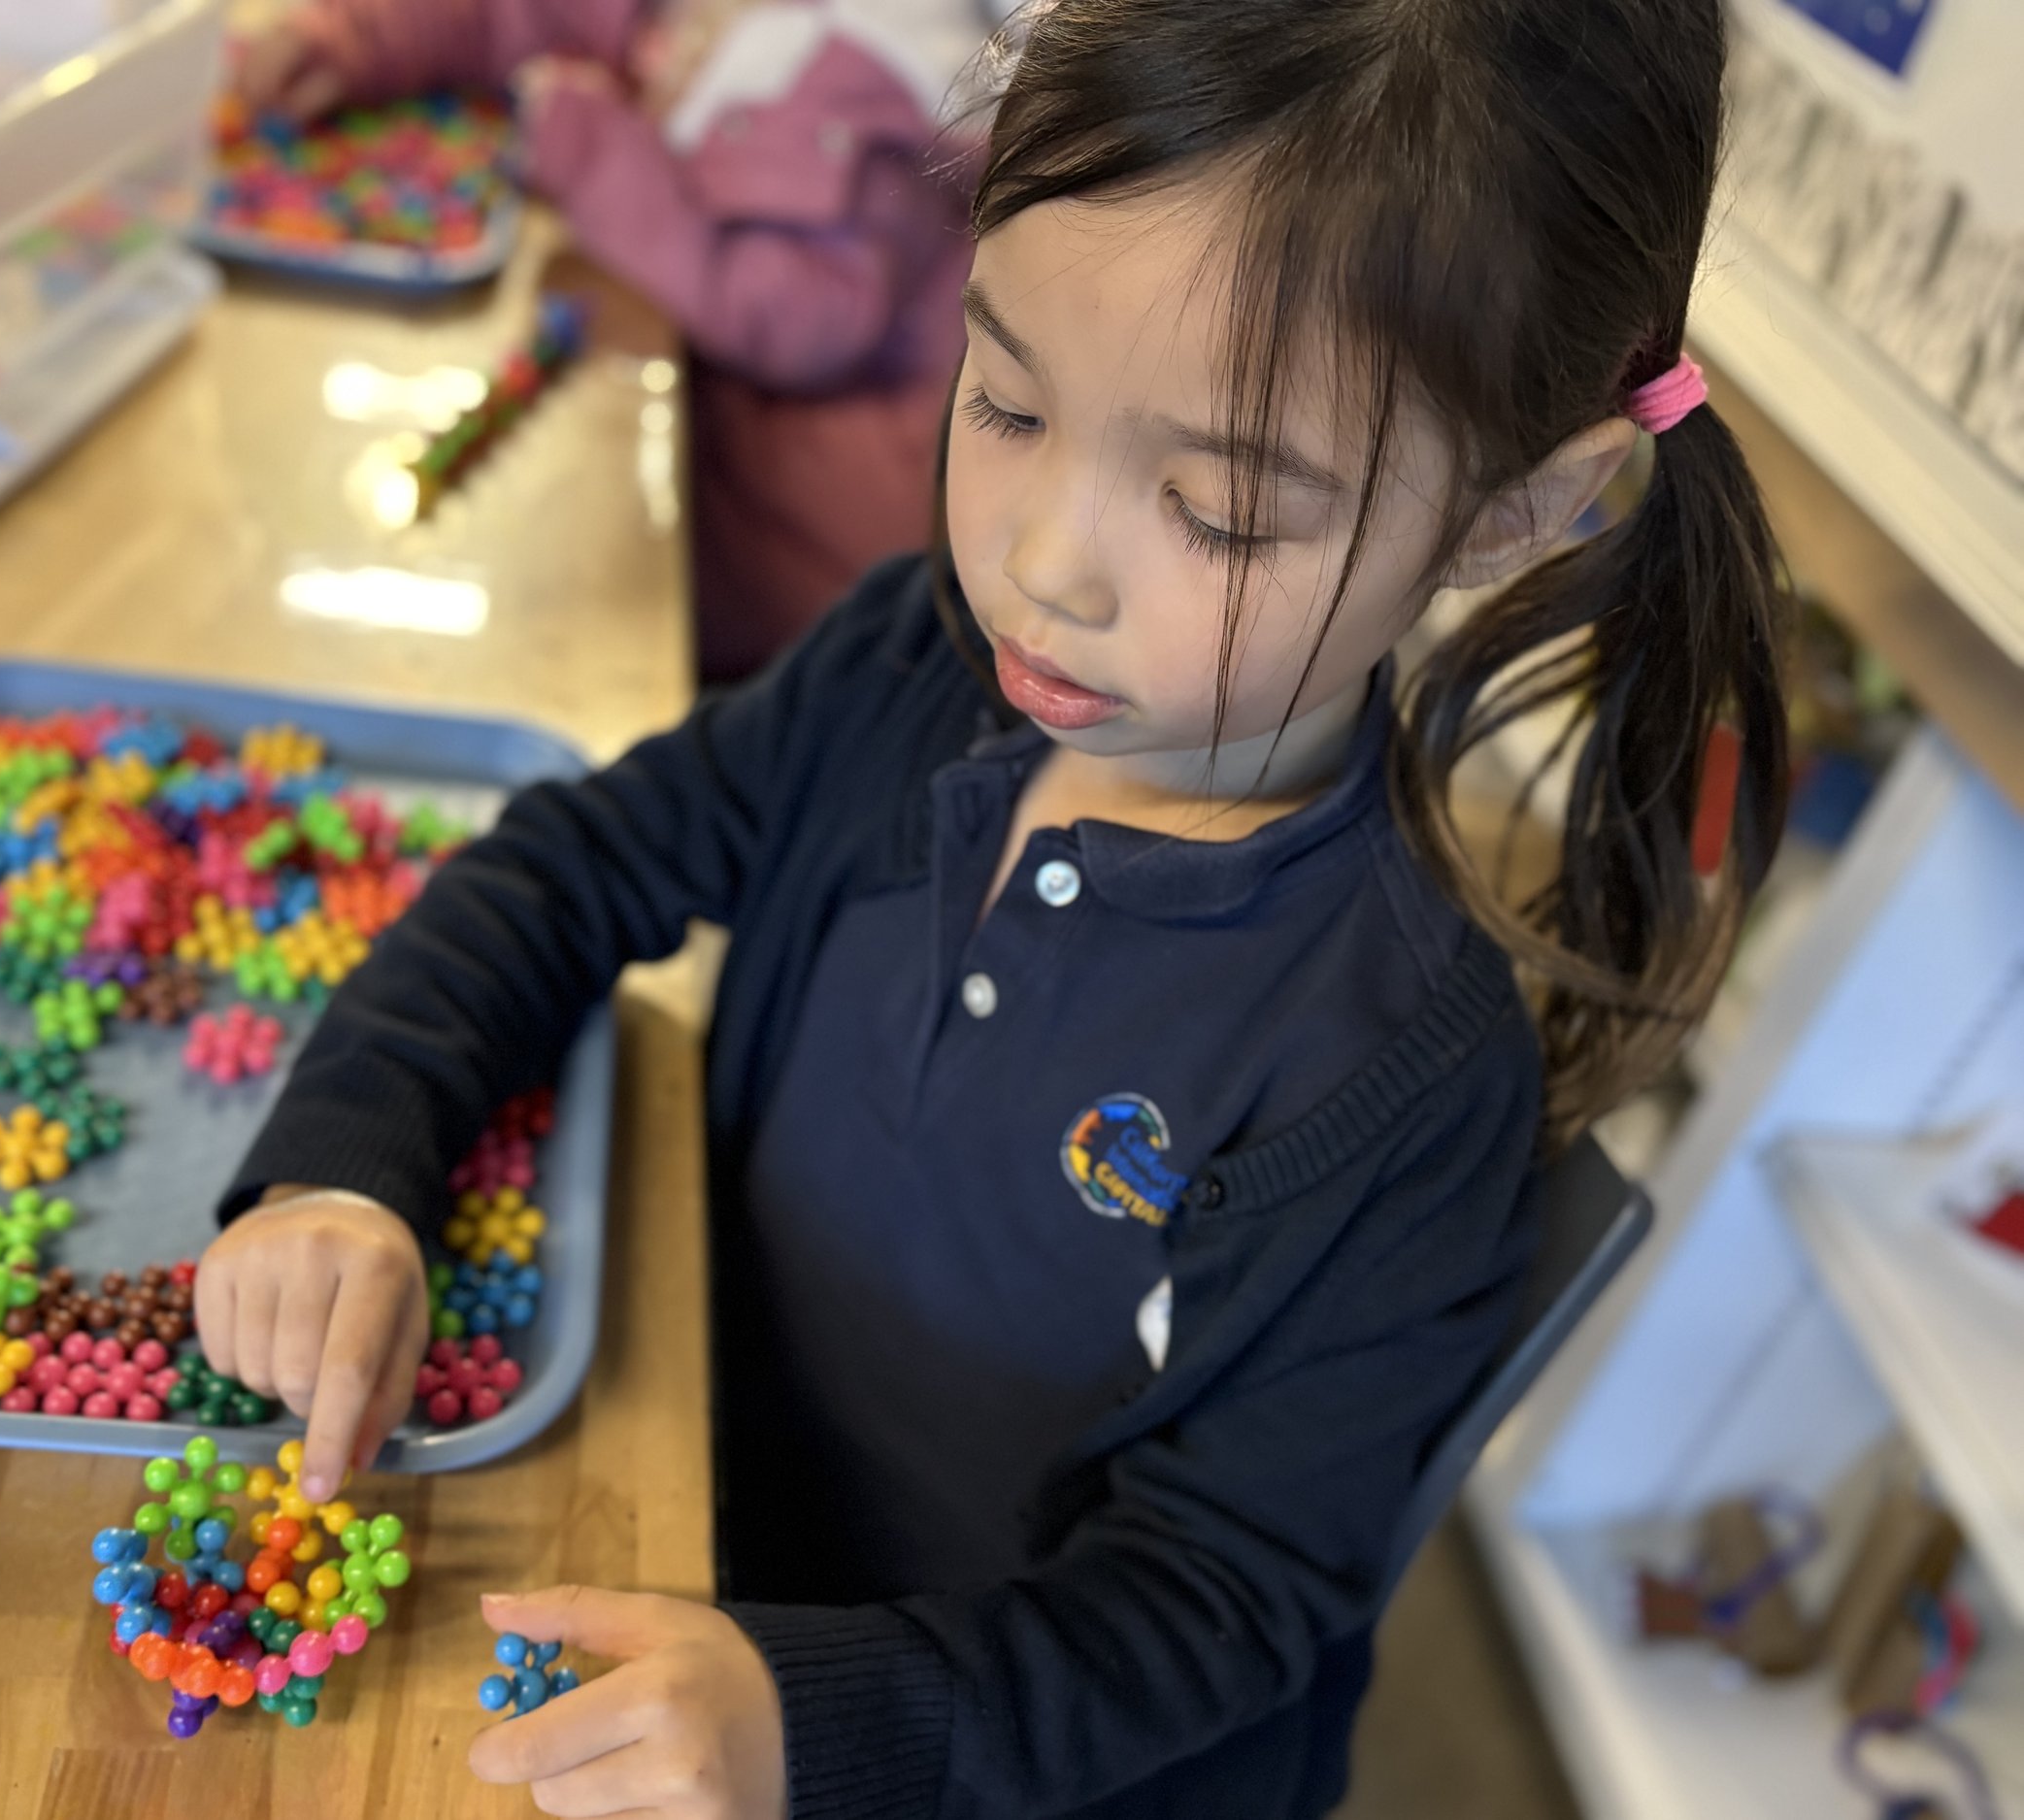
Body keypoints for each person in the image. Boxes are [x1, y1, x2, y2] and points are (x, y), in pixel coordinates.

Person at [197, 0, 1793, 1811]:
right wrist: (346, 1161)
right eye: (1010, 398)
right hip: (680, 1496)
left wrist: (816, 1715)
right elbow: (579, 861)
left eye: (1216, 510)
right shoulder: (914, 663)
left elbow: (1219, 1599)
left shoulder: (1399, 1072)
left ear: (1512, 517)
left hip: (965, 1745)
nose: (1040, 563)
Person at [241, 0, 1003, 679]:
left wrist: (593, 152)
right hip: (707, 419)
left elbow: (793, 321)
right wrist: (349, 37)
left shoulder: (870, 73)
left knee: (552, 580)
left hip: (822, 539)